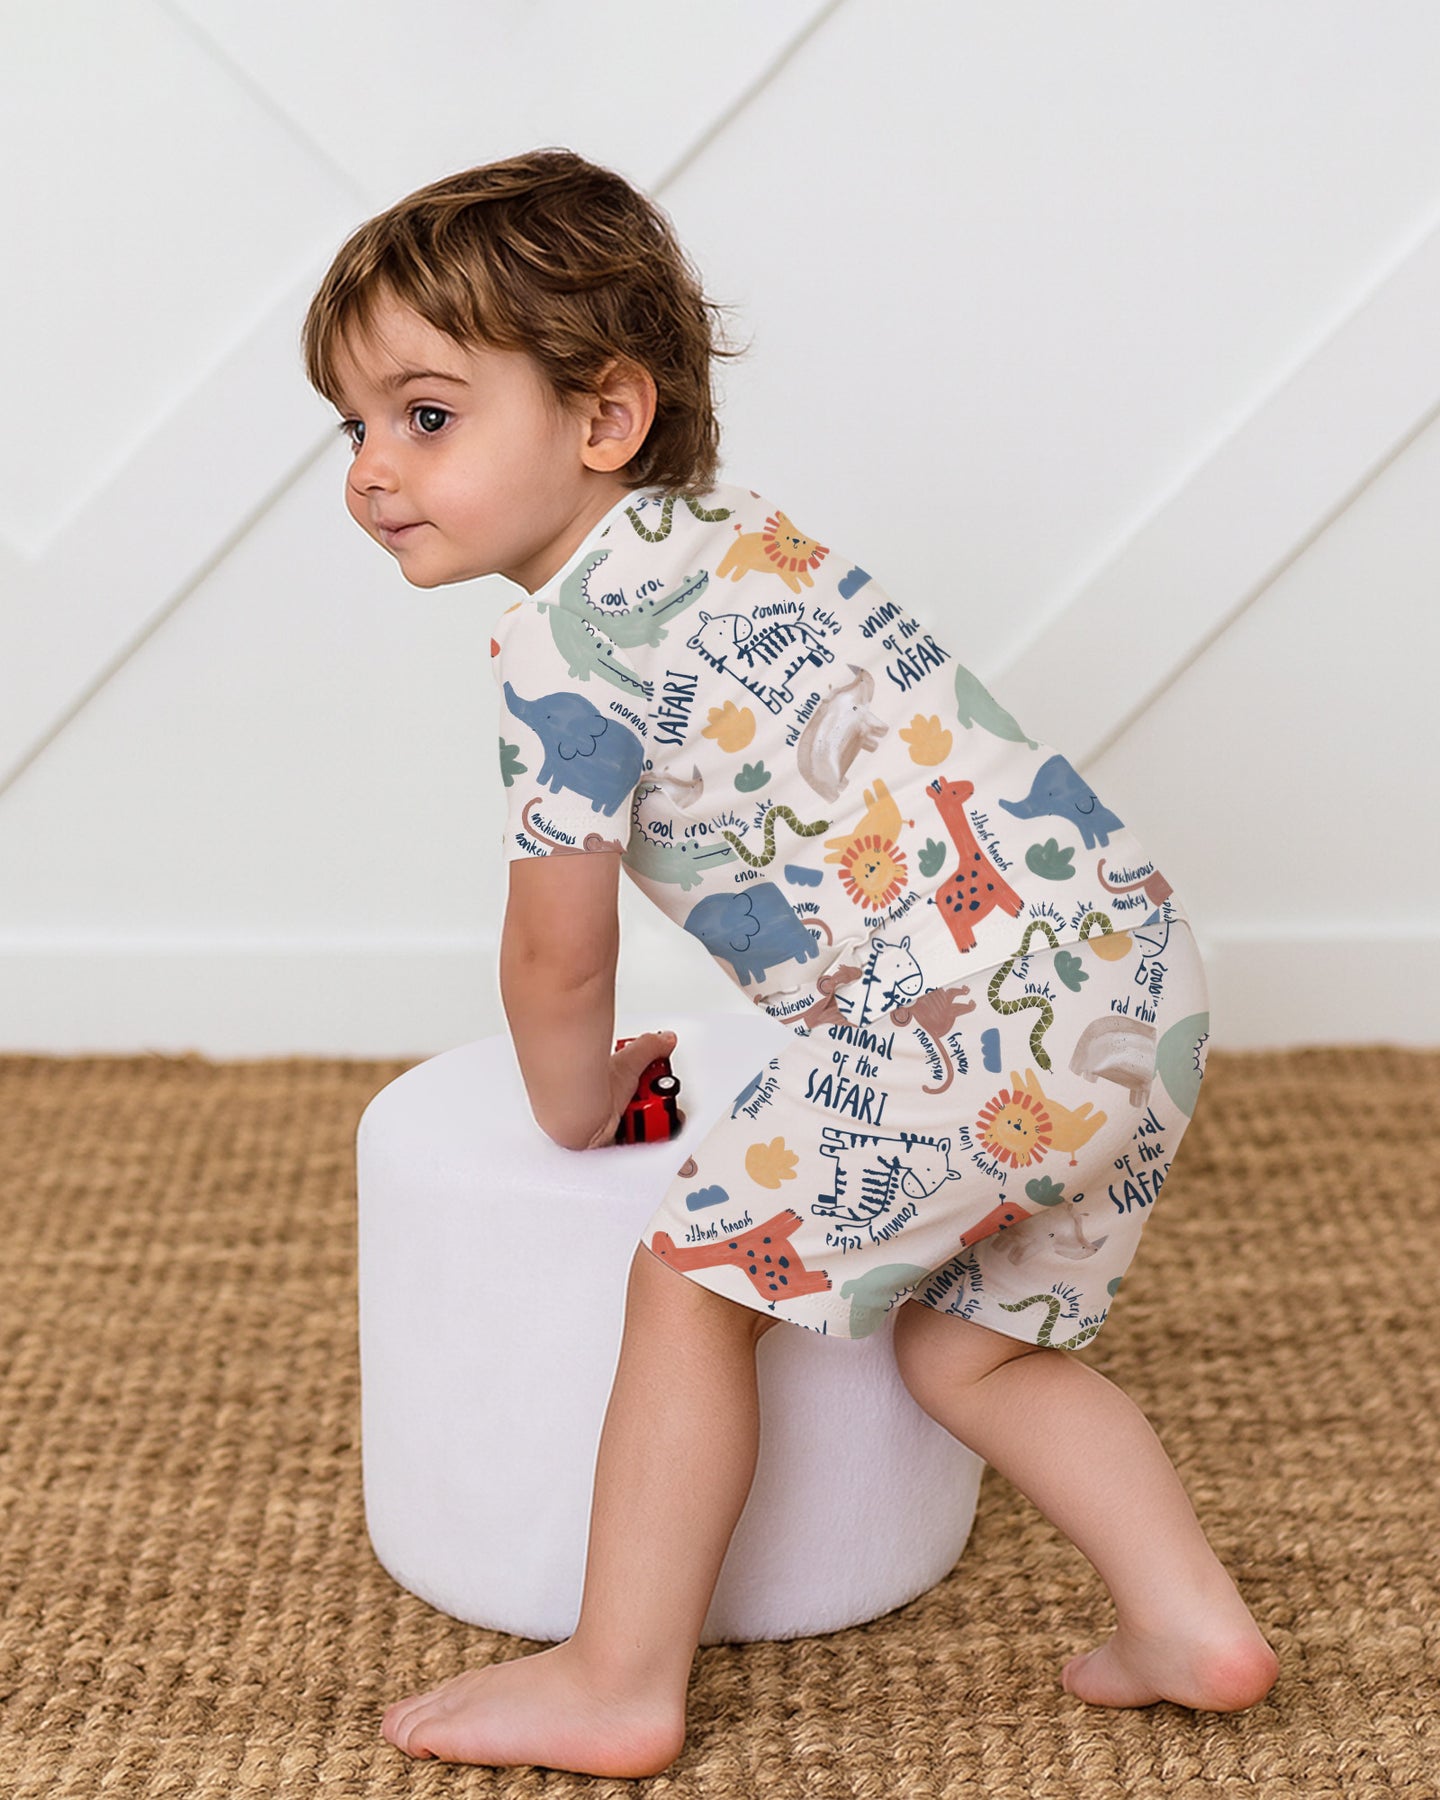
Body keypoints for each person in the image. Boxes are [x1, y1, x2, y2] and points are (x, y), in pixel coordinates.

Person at [302, 148, 1278, 1775]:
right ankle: (1191, 1619)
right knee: (972, 1345)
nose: (372, 471)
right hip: (1130, 967)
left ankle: (620, 1675)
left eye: (426, 416)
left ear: (606, 418)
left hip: (953, 1022)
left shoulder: (565, 648)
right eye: (353, 428)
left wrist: (575, 1104)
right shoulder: (740, 536)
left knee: (688, 1291)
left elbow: (557, 949)